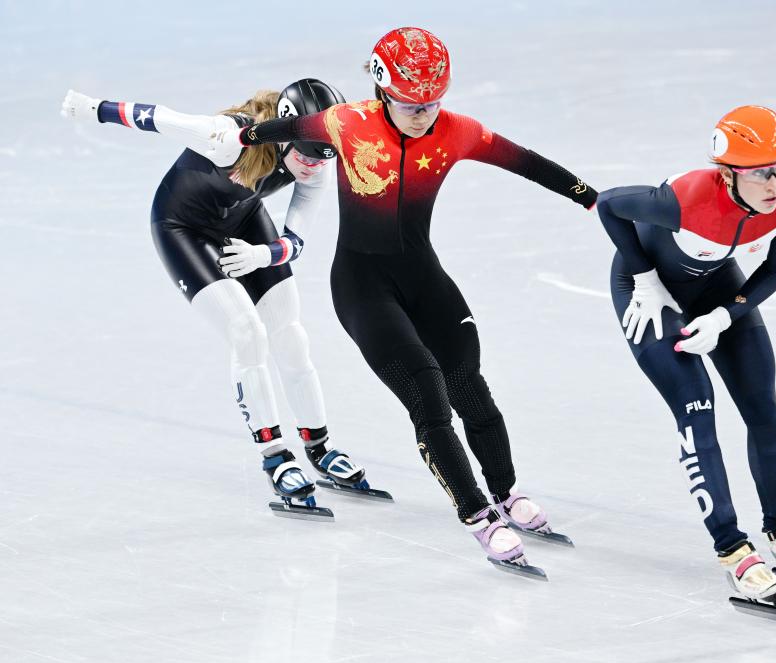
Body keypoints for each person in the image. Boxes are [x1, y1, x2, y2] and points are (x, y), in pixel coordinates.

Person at [223, 27, 596, 573]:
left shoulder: (458, 131)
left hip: (424, 278)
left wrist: (591, 199)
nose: (422, 114)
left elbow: (526, 161)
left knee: (470, 385)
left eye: (432, 103)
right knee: (428, 392)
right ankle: (477, 516)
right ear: (380, 89)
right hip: (361, 287)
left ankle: (507, 494)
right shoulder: (345, 122)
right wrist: (240, 136)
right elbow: (279, 128)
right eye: (409, 104)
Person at [59, 79, 378, 519]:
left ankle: (319, 446)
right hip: (182, 228)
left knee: (290, 333)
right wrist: (94, 108)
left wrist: (262, 254)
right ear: (283, 132)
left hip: (244, 223)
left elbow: (297, 238)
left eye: (323, 156)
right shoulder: (228, 138)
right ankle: (275, 456)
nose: (312, 166)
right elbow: (159, 117)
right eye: (304, 154)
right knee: (246, 333)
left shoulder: (317, 157)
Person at [595, 105, 776, 610]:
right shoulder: (685, 199)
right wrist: (643, 279)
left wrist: (729, 315)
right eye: (760, 173)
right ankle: (732, 549)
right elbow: (609, 204)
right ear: (728, 173)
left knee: (763, 409)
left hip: (714, 290)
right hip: (648, 292)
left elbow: (775, 268)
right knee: (696, 407)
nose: (774, 183)